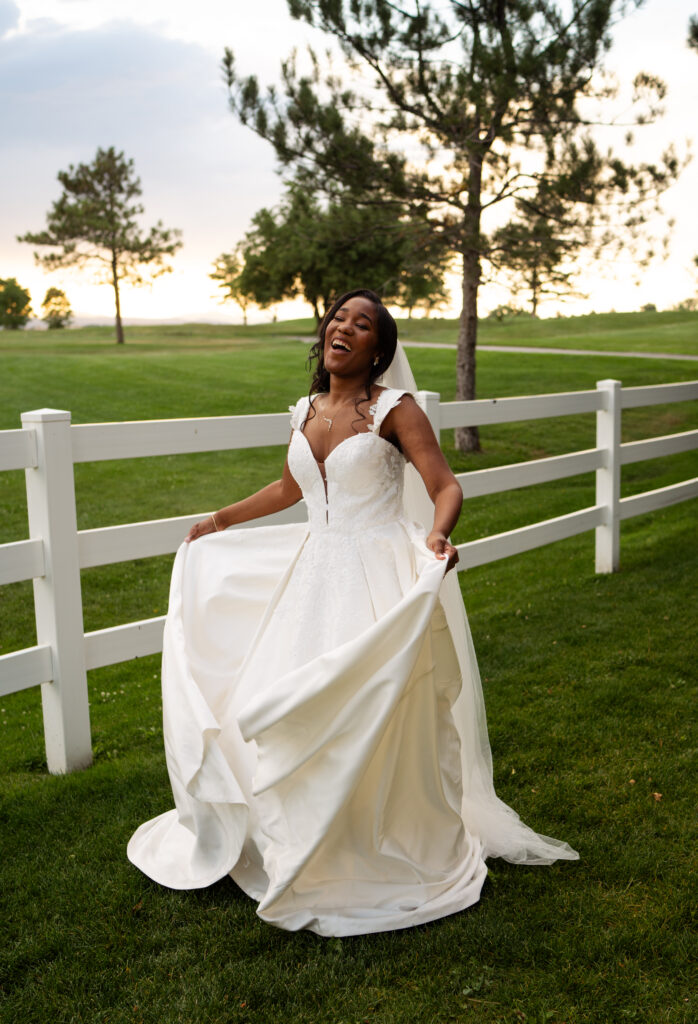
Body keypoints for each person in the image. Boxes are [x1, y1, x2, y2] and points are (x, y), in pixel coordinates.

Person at [128, 288, 578, 937]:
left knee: (367, 705)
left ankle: (369, 838)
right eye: (339, 318)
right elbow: (292, 487)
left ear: (378, 348)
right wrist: (221, 520)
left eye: (362, 323)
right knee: (287, 699)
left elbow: (445, 484)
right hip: (312, 574)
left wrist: (438, 534)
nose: (345, 327)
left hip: (374, 572)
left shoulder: (396, 410)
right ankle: (289, 830)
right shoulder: (307, 409)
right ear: (327, 335)